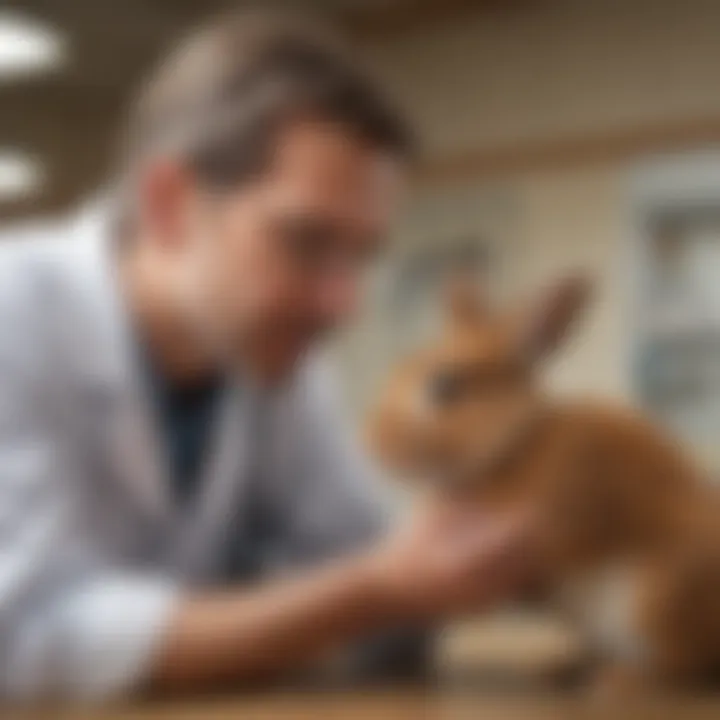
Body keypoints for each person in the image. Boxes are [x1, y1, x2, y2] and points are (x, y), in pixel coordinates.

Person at [0, 10, 534, 701]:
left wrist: (488, 548)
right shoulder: (16, 312)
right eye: (306, 244)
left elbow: (360, 561)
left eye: (360, 258)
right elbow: (27, 638)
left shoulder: (271, 357)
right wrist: (370, 592)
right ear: (169, 204)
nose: (344, 306)